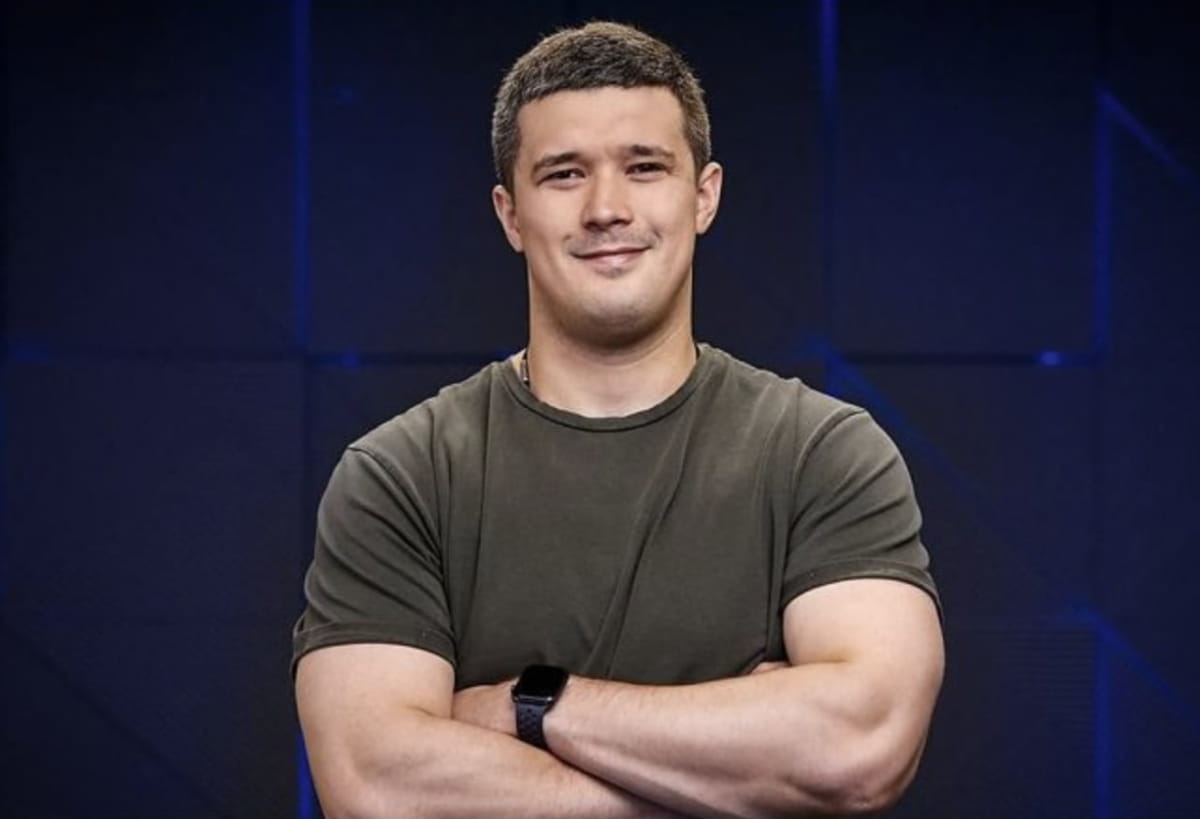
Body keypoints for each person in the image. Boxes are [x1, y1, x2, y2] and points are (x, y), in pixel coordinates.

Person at [292, 20, 943, 819]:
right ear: (509, 214)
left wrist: (533, 706)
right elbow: (380, 789)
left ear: (703, 196)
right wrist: (738, 773)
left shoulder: (823, 453)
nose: (606, 208)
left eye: (645, 167)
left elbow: (859, 748)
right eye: (564, 174)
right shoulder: (402, 475)